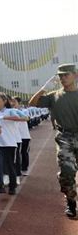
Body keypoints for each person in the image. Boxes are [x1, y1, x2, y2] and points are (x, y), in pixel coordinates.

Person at [29, 64, 78, 218]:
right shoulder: (54, 96)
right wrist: (44, 88)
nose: (63, 78)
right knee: (67, 172)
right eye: (60, 76)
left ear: (75, 75)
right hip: (65, 138)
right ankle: (71, 201)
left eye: (66, 75)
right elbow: (32, 103)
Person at [0, 93, 26, 195]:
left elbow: (25, 118)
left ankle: (12, 186)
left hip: (9, 143)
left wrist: (6, 117)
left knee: (10, 165)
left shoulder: (11, 111)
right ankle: (0, 185)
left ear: (4, 101)